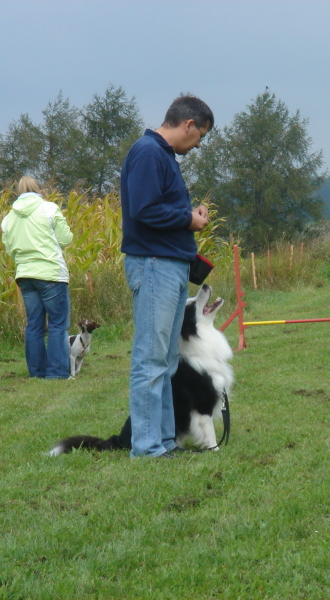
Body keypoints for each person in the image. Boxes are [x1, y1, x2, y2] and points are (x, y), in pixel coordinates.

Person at [120, 95, 214, 458]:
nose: (199, 143)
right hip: (155, 265)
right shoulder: (147, 152)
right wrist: (188, 220)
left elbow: (159, 206)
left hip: (169, 265)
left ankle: (161, 442)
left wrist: (190, 213)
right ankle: (146, 447)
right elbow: (144, 209)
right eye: (200, 135)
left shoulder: (162, 156)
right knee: (150, 359)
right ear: (187, 124)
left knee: (166, 361)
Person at [1, 176, 73, 379]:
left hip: (24, 275)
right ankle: (57, 372)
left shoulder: (8, 218)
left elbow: (9, 249)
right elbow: (65, 239)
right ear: (38, 189)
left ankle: (37, 373)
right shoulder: (49, 209)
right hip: (50, 273)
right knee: (58, 324)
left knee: (34, 324)